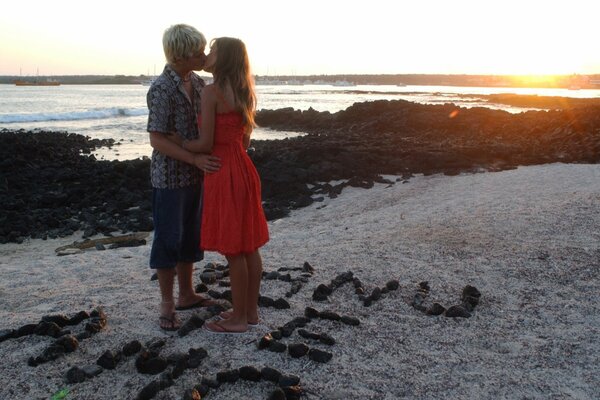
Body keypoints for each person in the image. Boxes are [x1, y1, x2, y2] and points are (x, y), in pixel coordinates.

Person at [176, 37, 269, 333]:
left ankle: (239, 319)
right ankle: (249, 312)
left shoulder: (212, 92)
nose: (208, 53)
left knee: (234, 249)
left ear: (224, 57)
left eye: (213, 50)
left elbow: (205, 143)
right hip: (243, 167)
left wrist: (180, 142)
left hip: (223, 170)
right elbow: (244, 140)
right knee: (249, 245)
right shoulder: (244, 91)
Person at [147, 24, 222, 331]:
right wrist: (193, 157)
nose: (203, 54)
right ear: (181, 54)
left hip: (196, 174)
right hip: (170, 176)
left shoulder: (200, 83)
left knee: (191, 235)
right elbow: (157, 139)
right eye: (198, 50)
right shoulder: (162, 88)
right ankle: (167, 305)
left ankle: (187, 294)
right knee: (168, 239)